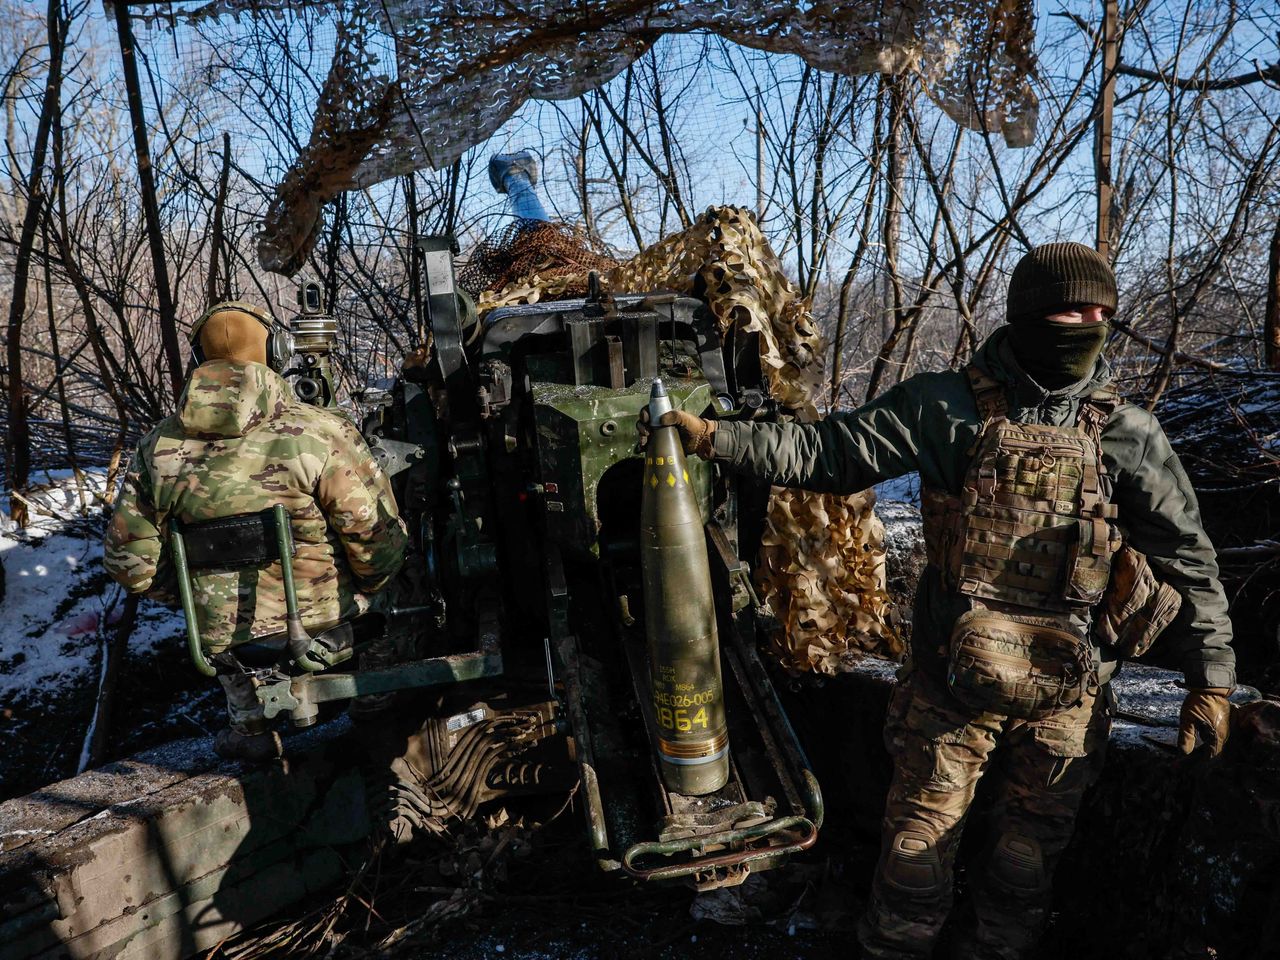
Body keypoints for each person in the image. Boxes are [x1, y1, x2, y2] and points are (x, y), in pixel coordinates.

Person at [640, 242, 1235, 959]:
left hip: (1069, 698)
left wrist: (1213, 681)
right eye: (1070, 309)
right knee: (915, 862)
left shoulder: (1128, 435)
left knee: (1023, 872)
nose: (1089, 322)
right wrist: (716, 438)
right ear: (1027, 315)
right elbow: (829, 453)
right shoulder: (943, 405)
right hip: (947, 689)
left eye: (1101, 311)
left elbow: (1187, 558)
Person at [104, 301, 407, 761]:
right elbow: (373, 536)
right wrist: (370, 586)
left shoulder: (157, 447)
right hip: (327, 625)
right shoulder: (320, 432)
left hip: (226, 643)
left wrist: (194, 599)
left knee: (225, 628)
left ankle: (250, 727)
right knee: (394, 583)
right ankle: (375, 705)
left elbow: (128, 563)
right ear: (278, 352)